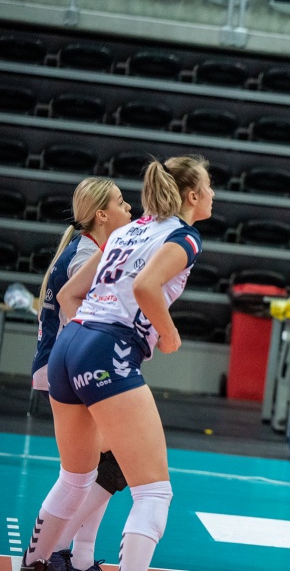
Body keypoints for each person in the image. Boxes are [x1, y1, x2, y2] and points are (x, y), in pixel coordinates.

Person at [20, 155, 214, 571]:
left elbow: (70, 295)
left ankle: (36, 564)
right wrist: (168, 334)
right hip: (107, 348)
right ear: (193, 196)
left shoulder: (129, 229)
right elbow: (146, 286)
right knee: (154, 493)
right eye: (209, 185)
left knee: (75, 479)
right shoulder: (185, 237)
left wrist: (89, 341)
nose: (213, 193)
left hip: (69, 346)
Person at [29, 177, 133, 571]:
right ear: (102, 215)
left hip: (66, 367)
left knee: (104, 465)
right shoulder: (85, 255)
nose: (129, 208)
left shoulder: (88, 249)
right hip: (69, 370)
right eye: (121, 202)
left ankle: (79, 557)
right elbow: (82, 320)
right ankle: (54, 552)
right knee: (107, 464)